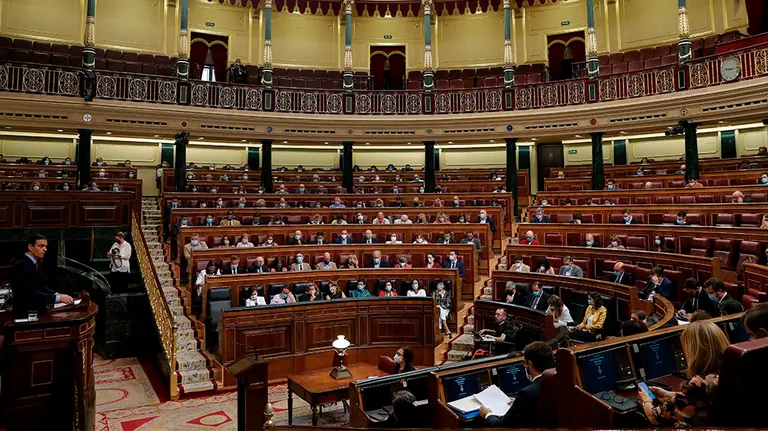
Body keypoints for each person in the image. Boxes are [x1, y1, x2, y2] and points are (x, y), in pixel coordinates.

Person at [637, 320, 728, 427]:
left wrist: (645, 400)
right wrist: (670, 395)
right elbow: (701, 399)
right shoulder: (731, 370)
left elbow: (655, 416)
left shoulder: (698, 383)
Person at [480, 341, 553, 427]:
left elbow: (502, 426)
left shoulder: (526, 393)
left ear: (530, 364)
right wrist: (519, 401)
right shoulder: (562, 383)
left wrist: (488, 414)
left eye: (524, 362)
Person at [11, 234, 75, 317]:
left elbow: (41, 287)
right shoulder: (21, 265)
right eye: (41, 246)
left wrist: (57, 294)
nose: (45, 249)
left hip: (36, 312)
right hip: (26, 315)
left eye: (45, 246)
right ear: (30, 247)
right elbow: (29, 293)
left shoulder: (34, 263)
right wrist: (57, 299)